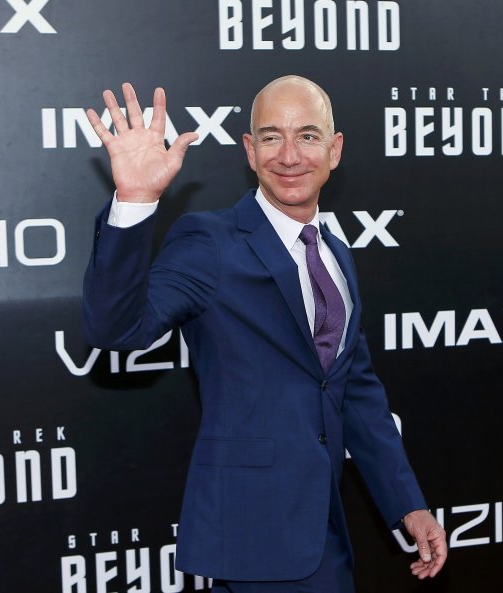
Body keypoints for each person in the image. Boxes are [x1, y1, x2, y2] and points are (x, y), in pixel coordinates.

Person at [82, 76, 447, 592]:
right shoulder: (208, 243)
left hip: (327, 534)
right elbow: (115, 329)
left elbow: (355, 391)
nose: (291, 156)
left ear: (335, 150)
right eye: (272, 137)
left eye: (309, 136)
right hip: (253, 537)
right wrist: (135, 200)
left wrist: (407, 503)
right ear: (250, 152)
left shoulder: (335, 253)